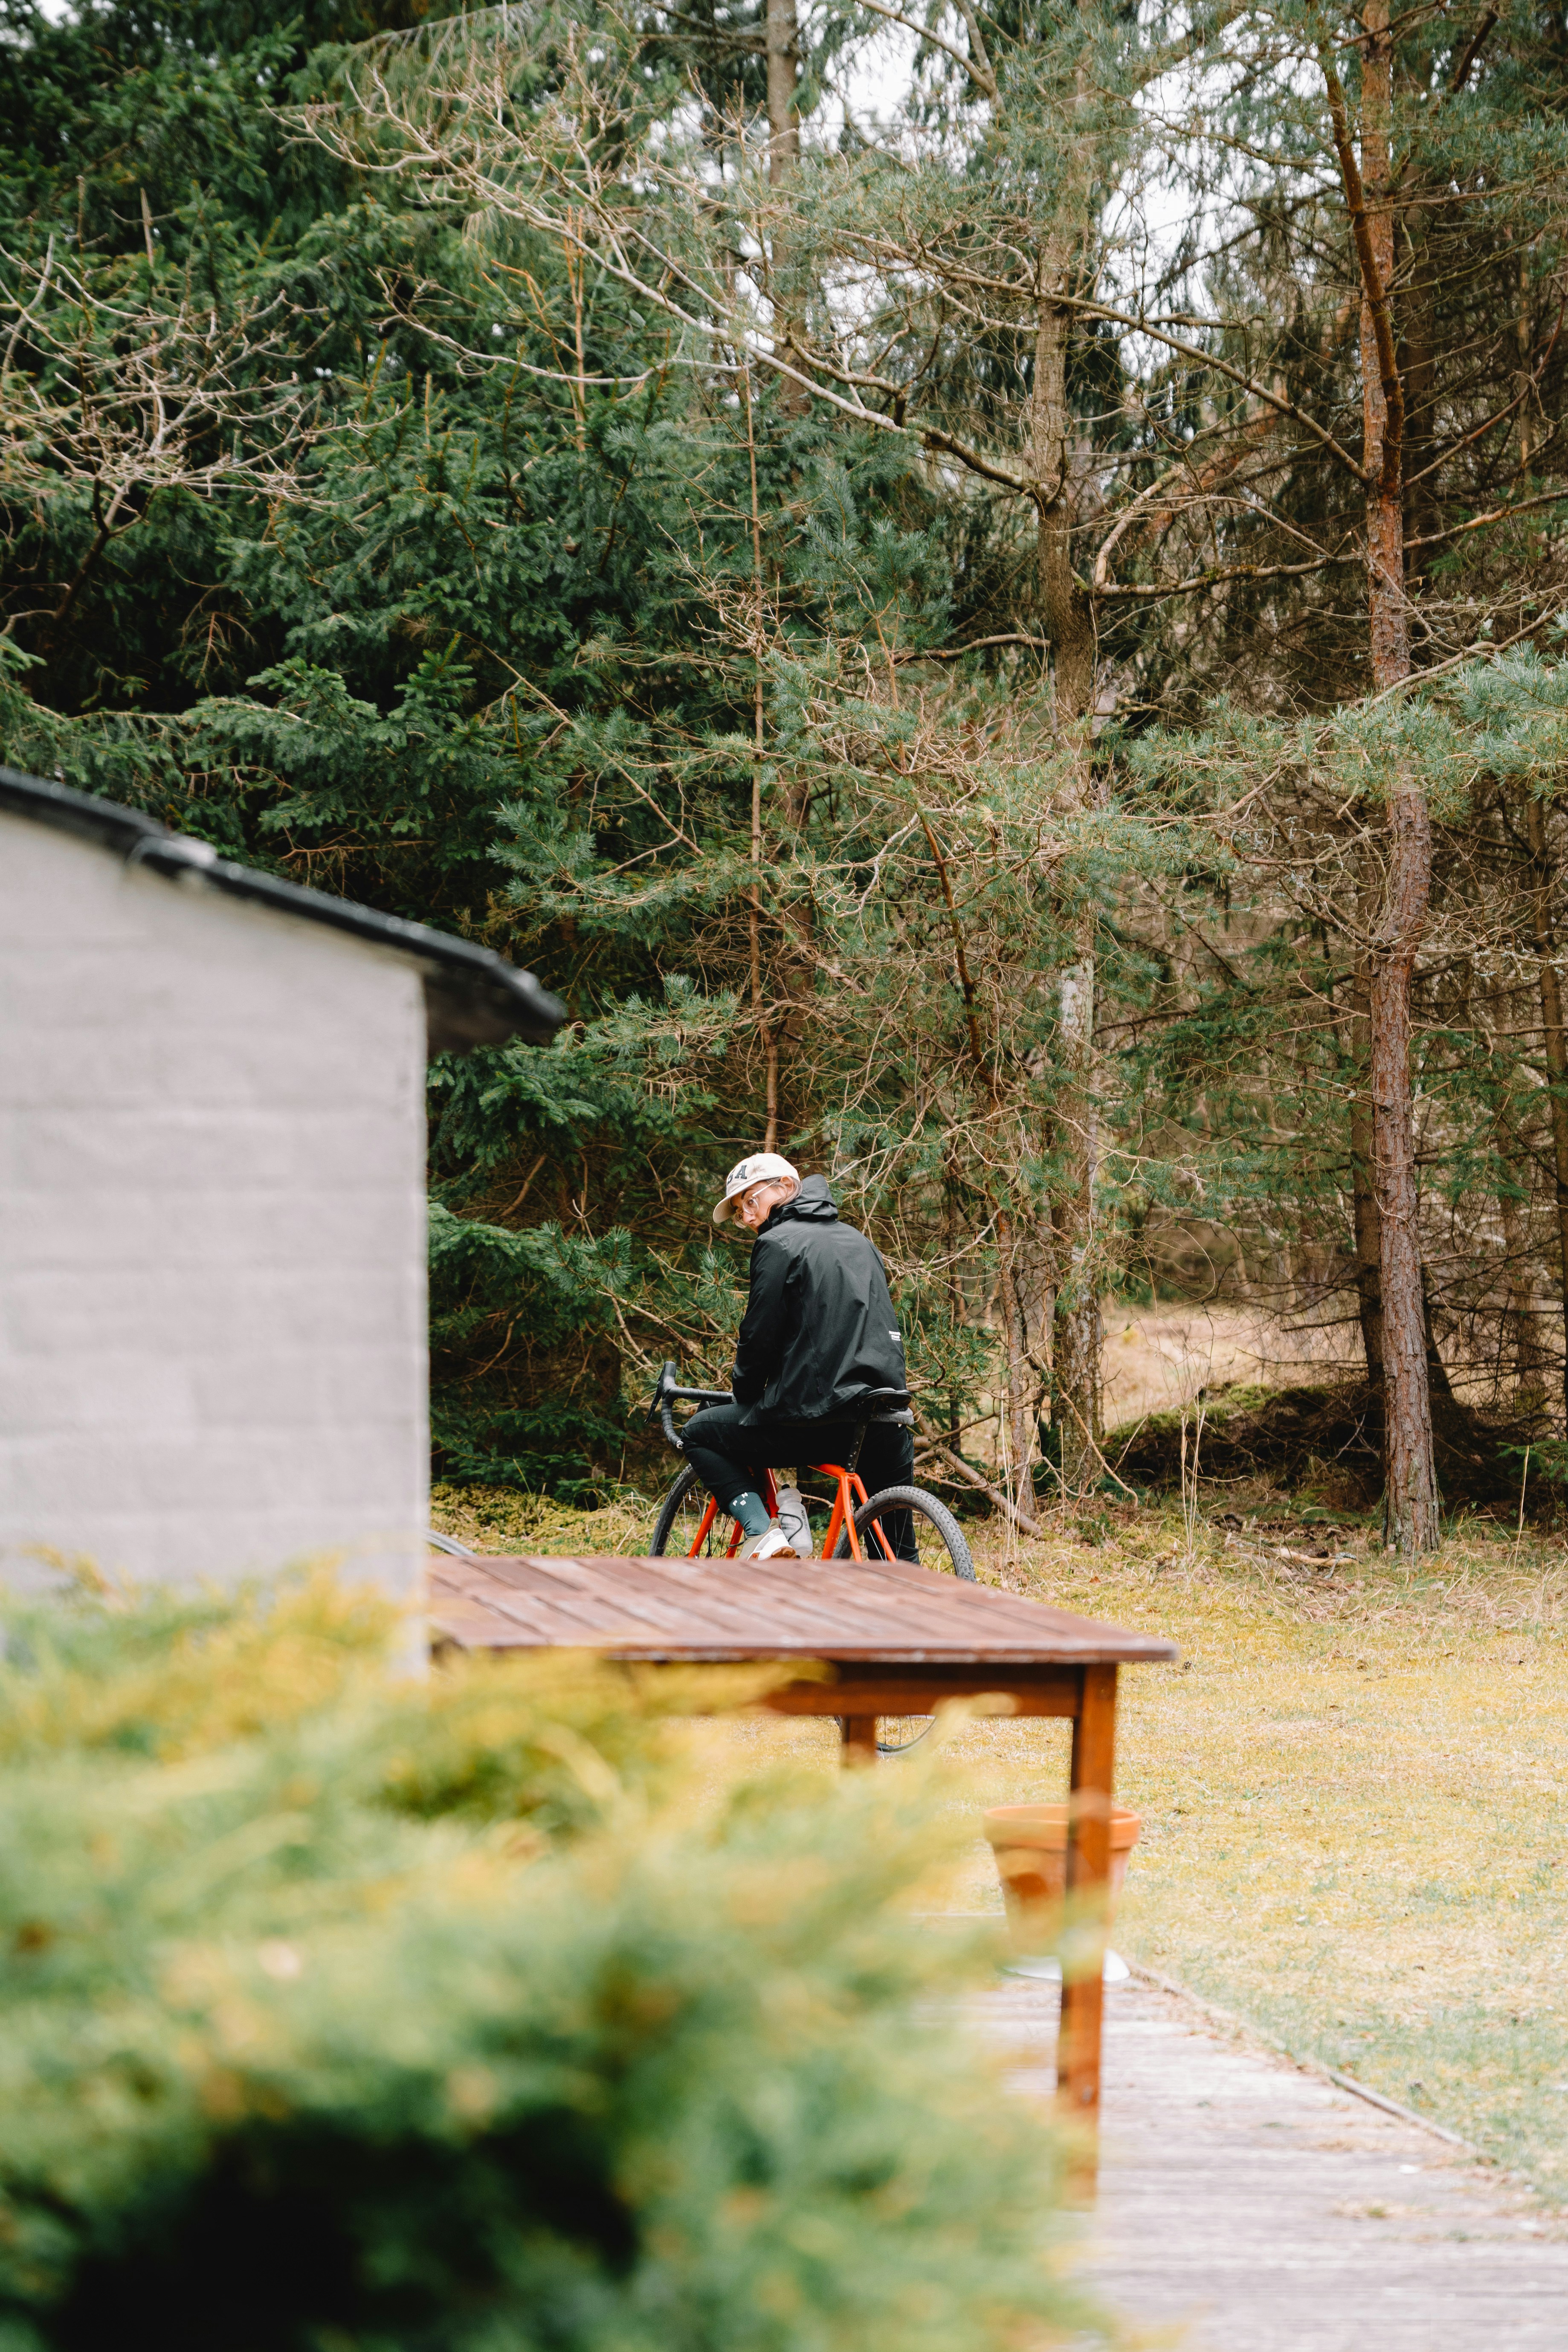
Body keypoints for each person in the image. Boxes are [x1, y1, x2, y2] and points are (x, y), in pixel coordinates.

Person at [681, 1152, 916, 1562]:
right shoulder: (858, 1240)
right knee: (897, 1556)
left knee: (699, 1432)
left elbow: (758, 1338)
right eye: (740, 1213)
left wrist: (746, 1395)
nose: (749, 1218)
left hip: (820, 1419)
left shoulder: (777, 1243)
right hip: (887, 1414)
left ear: (785, 1188)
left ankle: (761, 1533)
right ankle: (922, 1616)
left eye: (750, 1202)